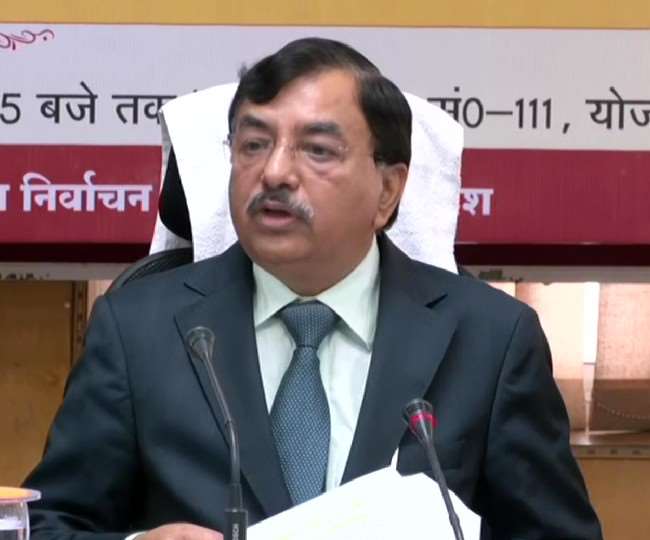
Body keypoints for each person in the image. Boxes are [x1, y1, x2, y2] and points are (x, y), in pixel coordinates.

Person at [25, 37, 602, 540]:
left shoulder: (491, 340)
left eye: (317, 150)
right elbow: (45, 525)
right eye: (253, 144)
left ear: (388, 191)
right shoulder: (138, 329)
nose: (275, 172)